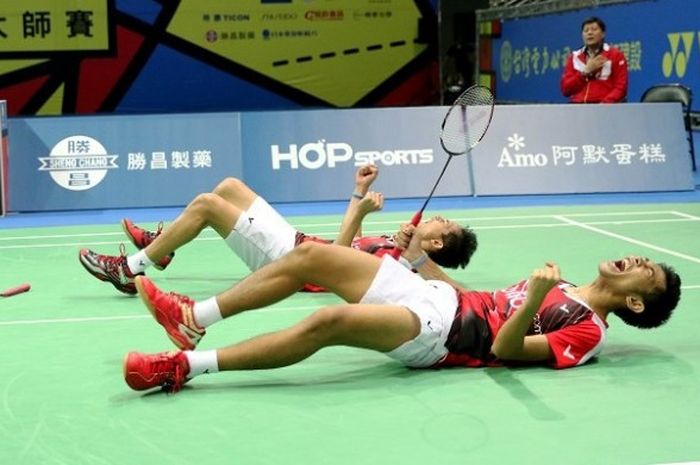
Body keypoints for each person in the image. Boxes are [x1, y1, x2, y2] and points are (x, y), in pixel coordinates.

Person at [122, 221, 681, 393]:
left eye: (646, 270)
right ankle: (193, 319)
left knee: (328, 320)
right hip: (440, 298)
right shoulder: (572, 286)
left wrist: (534, 296)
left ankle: (184, 367)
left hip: (443, 338)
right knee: (311, 256)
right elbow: (472, 295)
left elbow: (507, 350)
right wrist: (416, 257)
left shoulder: (586, 333)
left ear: (634, 300)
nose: (634, 258)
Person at [78, 165, 477, 295]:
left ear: (438, 241)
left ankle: (129, 270)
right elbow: (345, 241)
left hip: (291, 262)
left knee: (206, 205)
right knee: (229, 187)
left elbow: (332, 258)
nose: (435, 218)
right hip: (297, 240)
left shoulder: (404, 267)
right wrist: (358, 193)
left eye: (442, 223)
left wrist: (364, 218)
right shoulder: (400, 246)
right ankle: (162, 249)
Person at [560, 16, 628, 104]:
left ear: (603, 34)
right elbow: (566, 89)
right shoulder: (574, 57)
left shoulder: (615, 55)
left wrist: (602, 105)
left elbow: (621, 87)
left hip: (605, 108)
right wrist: (584, 73)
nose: (589, 33)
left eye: (594, 29)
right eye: (586, 30)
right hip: (577, 107)